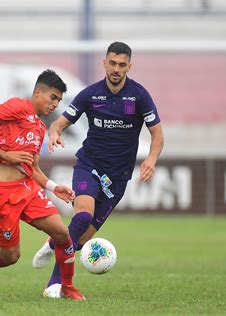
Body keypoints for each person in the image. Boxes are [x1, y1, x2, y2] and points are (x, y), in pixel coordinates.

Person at [32, 42, 165, 297]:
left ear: (129, 66)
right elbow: (58, 123)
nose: (116, 69)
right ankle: (54, 285)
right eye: (112, 63)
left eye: (122, 65)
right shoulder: (90, 94)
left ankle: (53, 243)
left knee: (80, 241)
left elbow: (157, 134)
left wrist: (151, 159)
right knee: (82, 217)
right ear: (104, 63)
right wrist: (53, 134)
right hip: (89, 165)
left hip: (118, 177)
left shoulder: (139, 96)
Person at [0, 69, 85, 301]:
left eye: (59, 100)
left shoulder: (39, 127)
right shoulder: (18, 106)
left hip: (28, 190)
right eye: (53, 97)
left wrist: (54, 187)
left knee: (63, 234)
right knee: (10, 256)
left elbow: (31, 168)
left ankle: (68, 287)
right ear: (38, 93)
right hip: (0, 194)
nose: (55, 104)